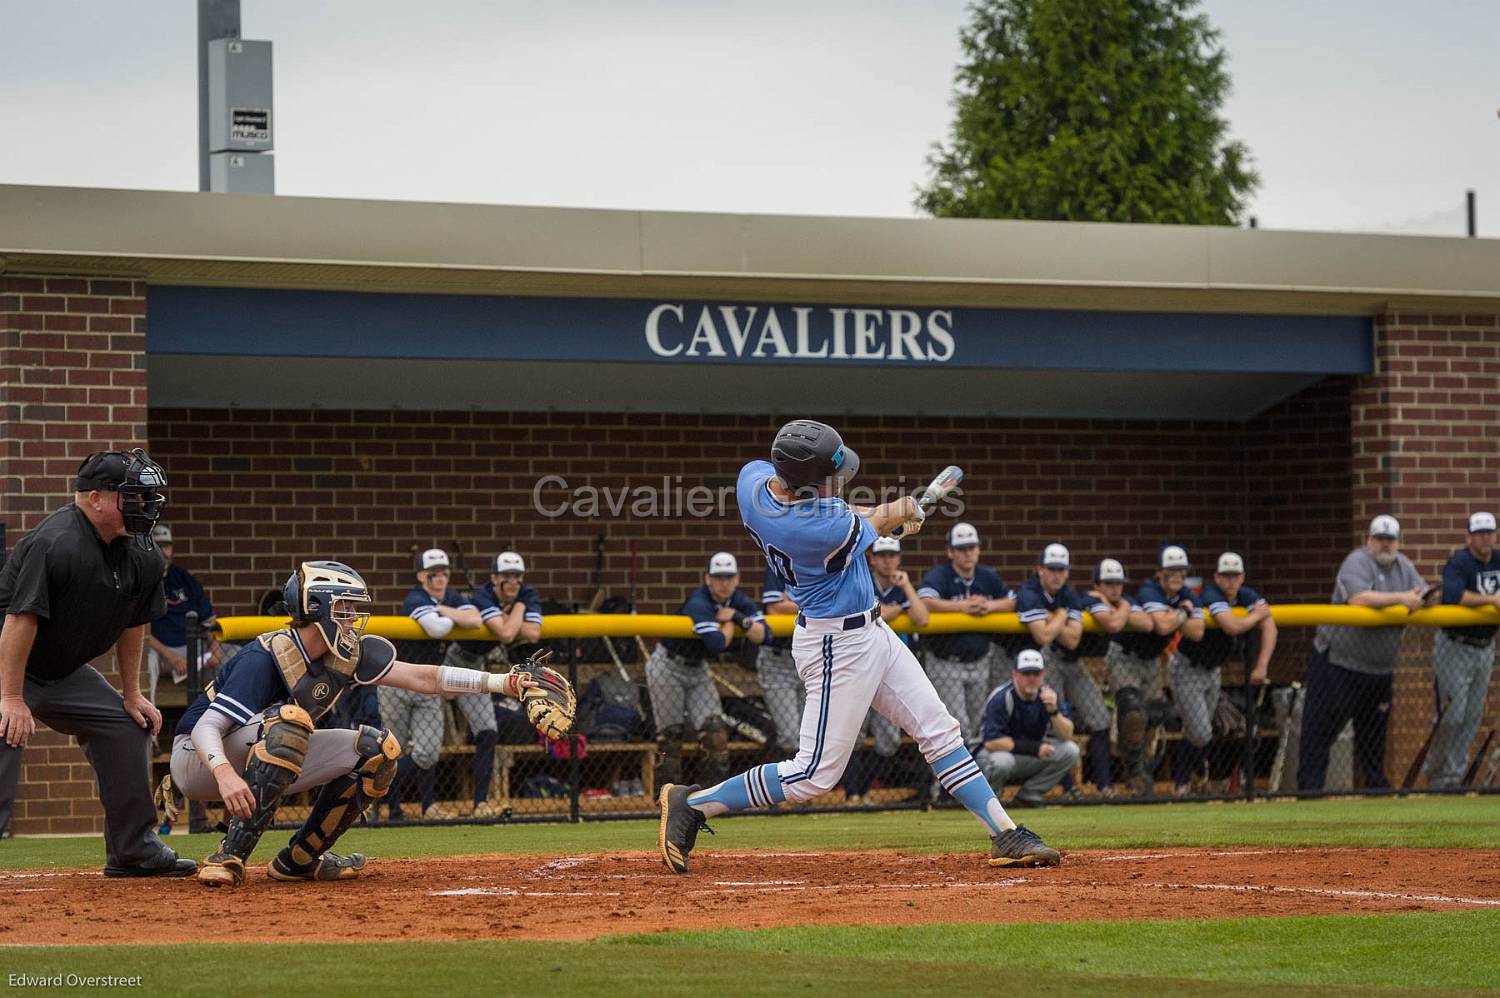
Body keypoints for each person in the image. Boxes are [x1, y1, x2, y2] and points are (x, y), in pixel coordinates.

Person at [658, 420, 1059, 873]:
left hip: (872, 631)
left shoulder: (753, 481)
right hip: (836, 645)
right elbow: (856, 520)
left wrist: (885, 519)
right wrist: (904, 508)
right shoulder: (817, 532)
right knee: (813, 775)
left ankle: (1004, 833)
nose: (838, 484)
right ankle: (693, 803)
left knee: (939, 729)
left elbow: (846, 512)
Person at [170, 560, 540, 886]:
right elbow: (206, 727)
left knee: (376, 750)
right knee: (290, 725)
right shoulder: (265, 657)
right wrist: (224, 774)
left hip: (263, 748)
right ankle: (229, 856)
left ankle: (299, 861)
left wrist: (500, 683)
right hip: (199, 759)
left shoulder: (343, 654)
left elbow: (423, 677)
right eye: (344, 608)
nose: (352, 618)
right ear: (317, 607)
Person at [0, 449, 195, 876]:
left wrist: (132, 693)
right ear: (96, 499)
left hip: (63, 671)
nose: (144, 505)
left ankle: (134, 851)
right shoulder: (54, 543)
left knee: (127, 726)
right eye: (133, 496)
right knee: (6, 733)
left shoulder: (141, 553)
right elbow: (19, 620)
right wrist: (12, 698)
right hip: (9, 665)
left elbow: (134, 622)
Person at [1298, 515, 1428, 791]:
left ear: (1397, 542)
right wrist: (1403, 599)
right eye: (1379, 539)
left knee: (1374, 735)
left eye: (1390, 539)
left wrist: (1419, 598)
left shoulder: (1405, 566)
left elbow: (1424, 593)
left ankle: (1376, 789)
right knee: (1321, 730)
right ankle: (1309, 790)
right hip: (1338, 662)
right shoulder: (1357, 561)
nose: (1384, 545)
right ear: (1369, 540)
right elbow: (1357, 599)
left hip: (1379, 668)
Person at [646, 552, 769, 792]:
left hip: (698, 669)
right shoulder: (699, 601)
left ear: (737, 579)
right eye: (718, 577)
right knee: (670, 737)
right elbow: (716, 643)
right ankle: (666, 801)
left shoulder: (738, 602)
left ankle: (710, 798)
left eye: (729, 577)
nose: (724, 583)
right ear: (708, 578)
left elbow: (764, 635)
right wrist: (733, 625)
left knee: (715, 734)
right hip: (668, 666)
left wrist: (736, 618)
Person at [379, 548, 479, 820]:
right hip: (396, 682)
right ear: (422, 575)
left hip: (428, 685)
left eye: (444, 573)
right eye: (434, 573)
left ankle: (427, 806)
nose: (440, 579)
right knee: (393, 748)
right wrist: (451, 615)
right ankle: (391, 808)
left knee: (427, 751)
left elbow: (476, 619)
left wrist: (443, 609)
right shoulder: (416, 597)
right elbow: (437, 629)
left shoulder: (449, 598)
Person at [1170, 551, 1275, 796]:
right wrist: (1257, 616)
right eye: (1225, 576)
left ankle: (1185, 783)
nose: (1230, 581)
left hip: (1213, 671)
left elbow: (1270, 625)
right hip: (1188, 667)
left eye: (1235, 576)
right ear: (1216, 577)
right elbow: (1231, 625)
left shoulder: (1246, 595)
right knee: (1201, 731)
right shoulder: (1210, 594)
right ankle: (1191, 777)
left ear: (1242, 577)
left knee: (1199, 730)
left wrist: (1262, 665)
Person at [1014, 543, 1111, 796]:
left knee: (1100, 717)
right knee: (1054, 719)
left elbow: (1072, 640)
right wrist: (1059, 616)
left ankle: (1104, 786)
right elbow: (1044, 636)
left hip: (1072, 661)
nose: (1057, 574)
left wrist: (1051, 617)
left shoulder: (1068, 593)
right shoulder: (1029, 591)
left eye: (1061, 569)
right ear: (1040, 569)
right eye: (1051, 569)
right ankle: (1068, 788)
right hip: (1041, 663)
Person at [917, 523, 1017, 746]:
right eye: (961, 548)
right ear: (950, 551)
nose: (967, 553)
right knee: (956, 723)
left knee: (974, 723)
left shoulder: (987, 575)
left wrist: (989, 606)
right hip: (946, 663)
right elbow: (924, 600)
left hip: (979, 661)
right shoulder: (941, 574)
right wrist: (962, 606)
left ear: (979, 549)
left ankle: (968, 776)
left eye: (972, 547)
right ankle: (949, 779)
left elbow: (1012, 600)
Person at [844, 536, 926, 803]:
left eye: (893, 555)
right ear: (872, 559)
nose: (888, 560)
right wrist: (894, 610)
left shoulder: (903, 587)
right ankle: (851, 795)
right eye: (883, 556)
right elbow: (871, 612)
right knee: (854, 736)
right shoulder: (862, 582)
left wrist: (908, 589)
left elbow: (922, 618)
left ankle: (864, 792)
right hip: (860, 667)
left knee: (888, 741)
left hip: (890, 673)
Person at [1425, 512, 1500, 788]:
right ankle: (1435, 772)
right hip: (1455, 646)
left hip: (1485, 647)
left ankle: (1453, 778)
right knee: (1452, 714)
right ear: (1469, 537)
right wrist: (1492, 600)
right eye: (1479, 533)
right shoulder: (1460, 561)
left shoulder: (1498, 559)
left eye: (1489, 532)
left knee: (1472, 716)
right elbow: (1454, 595)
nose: (1485, 538)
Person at [468, 550, 544, 812]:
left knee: (487, 730)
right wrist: (516, 615)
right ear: (493, 578)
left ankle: (480, 804)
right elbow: (506, 633)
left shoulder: (527, 594)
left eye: (517, 577)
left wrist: (516, 610)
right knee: (423, 743)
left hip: (475, 667)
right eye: (506, 577)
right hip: (450, 658)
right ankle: (405, 807)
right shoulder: (483, 594)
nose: (513, 583)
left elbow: (532, 634)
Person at [1082, 559, 1154, 794]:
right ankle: (1083, 786)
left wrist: (1119, 606)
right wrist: (1123, 609)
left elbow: (1147, 624)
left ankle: (1110, 784)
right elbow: (1113, 624)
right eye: (1109, 583)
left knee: (1114, 720)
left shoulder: (1124, 601)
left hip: (1087, 667)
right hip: (1067, 661)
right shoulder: (1091, 598)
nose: (1115, 589)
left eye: (1118, 583)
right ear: (1097, 584)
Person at [977, 650, 1078, 805]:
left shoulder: (1048, 695)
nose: (1031, 678)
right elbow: (991, 742)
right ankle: (990, 802)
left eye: (1036, 673)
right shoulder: (1002, 697)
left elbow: (1067, 735)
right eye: (1026, 673)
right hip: (994, 755)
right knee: (1002, 762)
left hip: (1028, 756)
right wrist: (1034, 748)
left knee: (1070, 750)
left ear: (1042, 675)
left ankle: (1029, 796)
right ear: (1015, 674)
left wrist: (1053, 711)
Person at [145, 524, 224, 704]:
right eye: (157, 546)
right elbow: (141, 632)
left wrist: (215, 647)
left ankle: (225, 722)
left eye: (166, 546)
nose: (163, 552)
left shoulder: (183, 577)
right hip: (161, 653)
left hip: (193, 649)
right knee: (146, 660)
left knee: (235, 655)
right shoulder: (144, 581)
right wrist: (170, 657)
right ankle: (147, 724)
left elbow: (209, 621)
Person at [757, 567, 804, 756]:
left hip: (808, 657)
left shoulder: (817, 566)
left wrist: (791, 603)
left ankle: (804, 783)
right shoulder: (779, 566)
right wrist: (812, 602)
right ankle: (776, 783)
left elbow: (832, 605)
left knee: (811, 735)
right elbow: (774, 609)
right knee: (790, 736)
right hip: (778, 659)